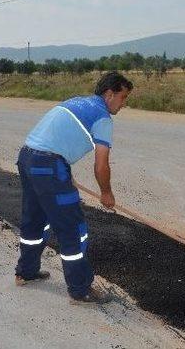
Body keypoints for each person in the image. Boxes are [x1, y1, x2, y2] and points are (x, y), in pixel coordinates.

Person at [14, 71, 132, 305]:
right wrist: (106, 193)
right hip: (49, 165)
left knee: (34, 219)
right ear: (110, 94)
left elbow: (57, 137)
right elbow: (101, 164)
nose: (124, 103)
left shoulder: (76, 100)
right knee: (73, 229)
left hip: (28, 158)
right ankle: (80, 290)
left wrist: (62, 173)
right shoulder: (103, 117)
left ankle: (25, 272)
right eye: (123, 97)